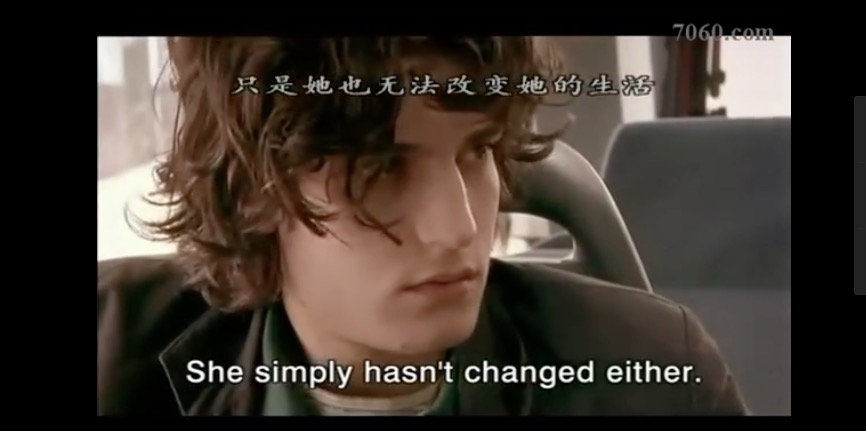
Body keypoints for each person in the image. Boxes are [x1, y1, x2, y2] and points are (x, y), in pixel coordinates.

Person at [96, 36, 748, 416]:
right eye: (382, 169)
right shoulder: (110, 352)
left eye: (476, 151)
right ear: (252, 191)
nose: (457, 227)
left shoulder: (661, 379)